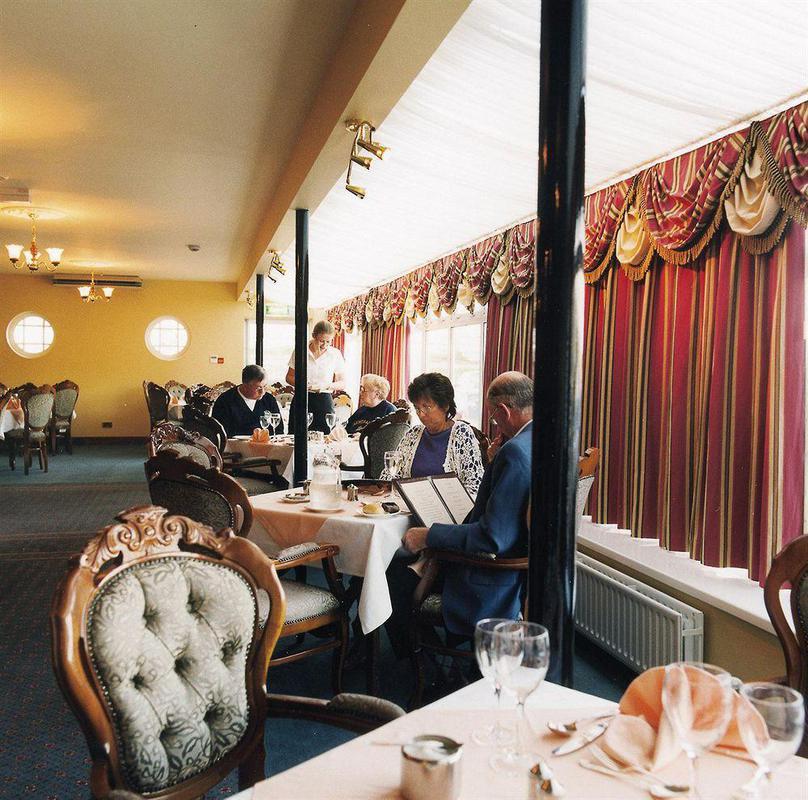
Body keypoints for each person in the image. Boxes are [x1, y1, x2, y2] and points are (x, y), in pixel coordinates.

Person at [383, 371, 533, 658]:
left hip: (488, 573)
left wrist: (430, 536)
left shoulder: (513, 453)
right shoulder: (535, 443)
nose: (495, 424)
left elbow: (491, 537)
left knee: (392, 575)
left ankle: (421, 661)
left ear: (503, 410)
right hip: (519, 566)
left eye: (494, 417)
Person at [380, 372, 483, 496]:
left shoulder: (461, 433)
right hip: (409, 508)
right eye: (417, 408)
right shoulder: (413, 434)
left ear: (445, 406)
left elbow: (474, 486)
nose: (421, 414)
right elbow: (388, 476)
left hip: (448, 511)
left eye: (427, 407)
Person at [285, 320, 346, 434]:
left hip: (324, 400)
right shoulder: (300, 351)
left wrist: (326, 385)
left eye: (328, 341)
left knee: (325, 437)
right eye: (321, 341)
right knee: (296, 435)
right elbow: (289, 377)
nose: (325, 345)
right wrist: (302, 384)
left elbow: (342, 383)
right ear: (313, 336)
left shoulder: (335, 354)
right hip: (301, 398)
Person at [212, 364, 284, 438]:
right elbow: (221, 434)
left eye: (265, 386)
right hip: (236, 447)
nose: (262, 392)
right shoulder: (225, 401)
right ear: (245, 386)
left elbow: (279, 430)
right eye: (258, 388)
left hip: (267, 446)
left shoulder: (269, 399)